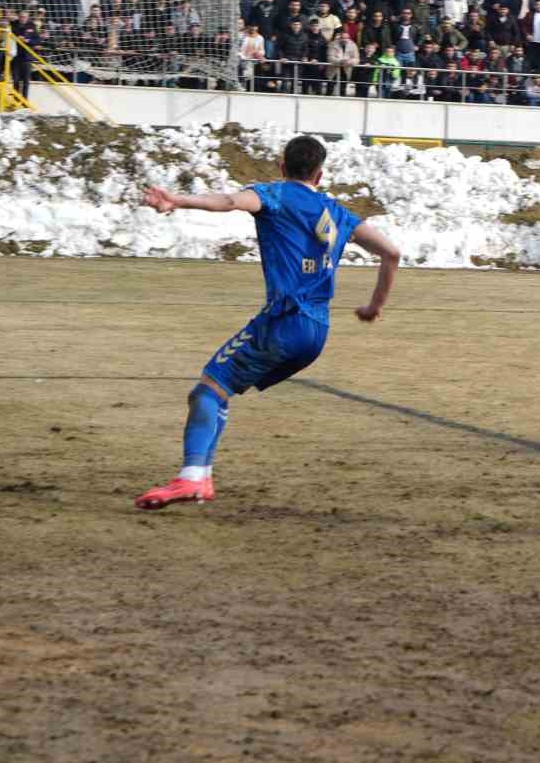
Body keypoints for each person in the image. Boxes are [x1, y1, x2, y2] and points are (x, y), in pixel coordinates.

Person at [134, 135, 401, 509]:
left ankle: (191, 478)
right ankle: (202, 478)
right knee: (219, 389)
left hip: (284, 322)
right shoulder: (338, 213)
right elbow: (392, 253)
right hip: (317, 332)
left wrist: (177, 200)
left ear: (281, 167)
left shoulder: (274, 195)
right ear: (320, 175)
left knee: (207, 390)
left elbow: (228, 202)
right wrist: (373, 307)